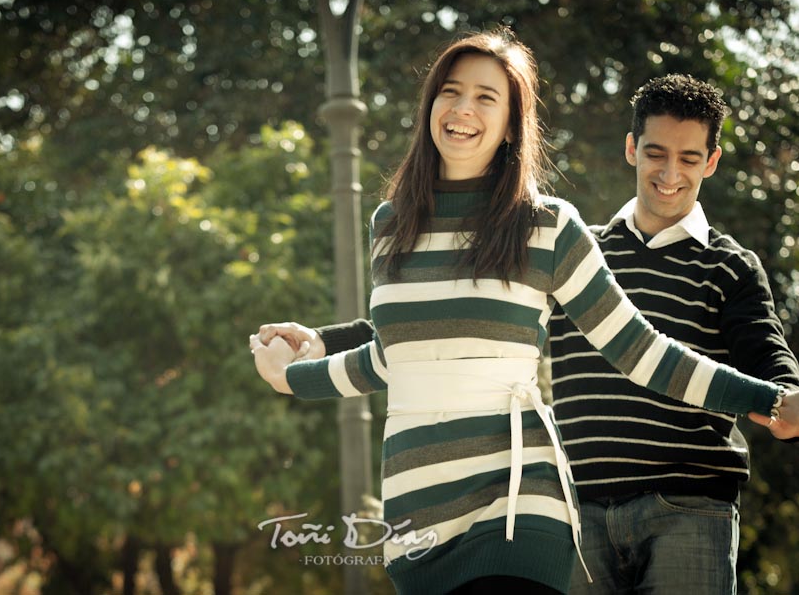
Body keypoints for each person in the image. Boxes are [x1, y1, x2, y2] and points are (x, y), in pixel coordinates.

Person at [250, 30, 799, 595]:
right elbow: (408, 348)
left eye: (487, 96)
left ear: (512, 122)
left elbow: (643, 352)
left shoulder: (551, 228)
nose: (463, 108)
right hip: (419, 515)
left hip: (528, 506)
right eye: (451, 91)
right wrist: (299, 367)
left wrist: (773, 397)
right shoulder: (391, 226)